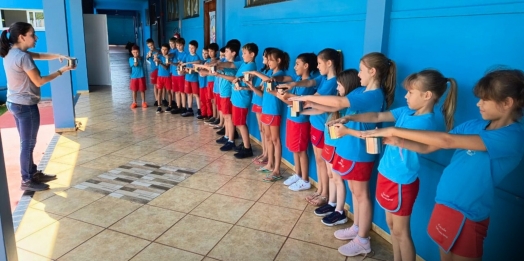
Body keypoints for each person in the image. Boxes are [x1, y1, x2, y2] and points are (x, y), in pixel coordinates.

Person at [361, 69, 524, 261]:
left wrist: (394, 130)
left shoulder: (512, 137)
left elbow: (447, 141)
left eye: (485, 99)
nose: (478, 104)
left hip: (468, 212)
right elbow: (430, 146)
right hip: (445, 200)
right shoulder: (473, 125)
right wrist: (400, 142)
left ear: (506, 103)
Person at [333, 69, 457, 260]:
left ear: (427, 96)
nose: (405, 96)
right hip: (387, 175)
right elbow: (376, 117)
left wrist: (349, 131)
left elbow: (389, 134)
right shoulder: (407, 112)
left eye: (410, 92)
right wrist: (351, 117)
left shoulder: (425, 123)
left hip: (401, 182)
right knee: (392, 228)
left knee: (402, 233)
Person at [292, 52, 397, 256]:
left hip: (359, 153)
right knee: (355, 193)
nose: (358, 74)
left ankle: (363, 239)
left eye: (361, 70)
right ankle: (357, 227)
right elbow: (343, 106)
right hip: (349, 150)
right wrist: (313, 104)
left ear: (373, 72)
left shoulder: (373, 95)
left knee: (361, 195)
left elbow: (340, 104)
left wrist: (306, 97)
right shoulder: (362, 91)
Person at [1, 22, 74, 191]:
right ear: (22, 37)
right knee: (27, 144)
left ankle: (32, 173)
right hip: (26, 106)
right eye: (33, 34)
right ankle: (27, 180)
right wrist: (63, 70)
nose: (36, 37)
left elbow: (39, 55)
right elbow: (39, 81)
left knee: (26, 143)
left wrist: (57, 55)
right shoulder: (22, 57)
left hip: (14, 102)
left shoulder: (11, 52)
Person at [278, 48, 341, 205]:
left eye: (320, 63)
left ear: (329, 63)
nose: (317, 66)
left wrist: (291, 96)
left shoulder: (333, 82)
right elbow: (310, 82)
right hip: (315, 123)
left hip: (321, 126)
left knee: (322, 161)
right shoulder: (323, 78)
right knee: (320, 162)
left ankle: (325, 194)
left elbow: (313, 99)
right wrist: (293, 84)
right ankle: (320, 190)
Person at [276, 53, 318, 191]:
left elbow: (302, 102)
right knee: (294, 149)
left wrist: (286, 96)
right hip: (292, 118)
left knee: (301, 150)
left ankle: (305, 179)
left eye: (297, 64)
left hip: (301, 121)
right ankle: (298, 174)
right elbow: (291, 101)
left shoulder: (309, 83)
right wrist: (279, 95)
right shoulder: (297, 80)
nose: (294, 67)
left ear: (306, 66)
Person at [246, 48, 290, 182]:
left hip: (274, 112)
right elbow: (263, 94)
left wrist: (254, 72)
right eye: (268, 59)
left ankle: (277, 170)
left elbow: (270, 80)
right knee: (269, 138)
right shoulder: (270, 72)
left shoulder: (280, 74)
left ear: (279, 61)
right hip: (265, 110)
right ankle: (270, 164)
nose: (269, 62)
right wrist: (252, 87)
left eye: (271, 60)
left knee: (276, 140)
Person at [180, 40, 203, 117]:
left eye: (192, 48)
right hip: (187, 79)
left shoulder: (197, 57)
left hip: (194, 79)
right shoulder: (186, 56)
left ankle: (199, 110)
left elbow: (197, 68)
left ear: (196, 48)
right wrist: (182, 68)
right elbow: (182, 64)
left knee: (196, 94)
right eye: (189, 47)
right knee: (189, 94)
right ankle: (190, 109)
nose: (190, 49)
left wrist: (190, 70)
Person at [154, 44, 172, 113]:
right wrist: (155, 59)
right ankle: (159, 106)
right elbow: (156, 62)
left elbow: (166, 67)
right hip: (160, 77)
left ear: (168, 50)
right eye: (162, 49)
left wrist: (160, 62)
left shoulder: (168, 57)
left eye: (165, 49)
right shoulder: (159, 56)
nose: (164, 51)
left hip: (167, 77)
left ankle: (169, 106)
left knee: (168, 92)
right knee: (159, 91)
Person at [145, 38, 160, 106]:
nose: (151, 47)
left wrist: (157, 53)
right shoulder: (149, 53)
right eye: (149, 46)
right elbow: (146, 58)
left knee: (161, 86)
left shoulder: (159, 50)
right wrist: (148, 56)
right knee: (155, 85)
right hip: (154, 70)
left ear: (154, 44)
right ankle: (157, 99)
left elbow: (162, 54)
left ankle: (162, 99)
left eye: (151, 45)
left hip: (160, 69)